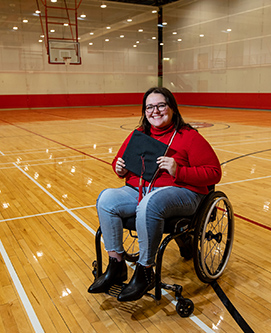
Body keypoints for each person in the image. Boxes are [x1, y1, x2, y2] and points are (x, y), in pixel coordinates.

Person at [88, 87, 222, 301]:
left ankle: (145, 271)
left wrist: (179, 170)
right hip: (141, 190)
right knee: (106, 199)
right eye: (150, 107)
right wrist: (119, 168)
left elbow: (214, 173)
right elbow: (118, 161)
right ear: (144, 111)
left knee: (150, 203)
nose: (155, 111)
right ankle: (117, 265)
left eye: (161, 105)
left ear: (172, 108)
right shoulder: (139, 134)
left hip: (183, 193)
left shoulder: (188, 136)